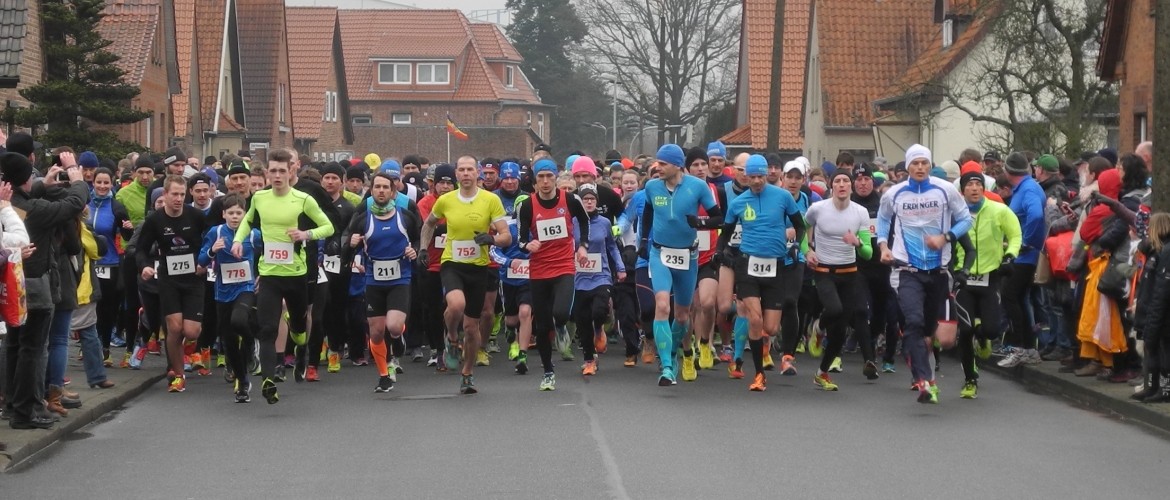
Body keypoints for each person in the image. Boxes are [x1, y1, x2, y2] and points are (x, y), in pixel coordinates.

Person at [231, 150, 334, 404]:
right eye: (273, 171)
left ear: (290, 171)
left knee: (299, 328)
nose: (277, 176)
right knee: (267, 328)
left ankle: (301, 350)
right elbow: (247, 222)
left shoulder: (303, 199)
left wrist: (306, 235)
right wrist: (237, 241)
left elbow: (328, 227)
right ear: (267, 173)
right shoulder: (259, 198)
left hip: (296, 274)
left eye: (281, 171)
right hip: (269, 274)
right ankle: (268, 380)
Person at [877, 144, 975, 404]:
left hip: (938, 271)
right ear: (908, 166)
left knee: (929, 330)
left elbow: (966, 220)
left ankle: (925, 372)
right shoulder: (895, 193)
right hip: (907, 270)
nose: (920, 168)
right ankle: (922, 380)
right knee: (913, 321)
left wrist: (946, 237)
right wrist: (884, 246)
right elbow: (883, 219)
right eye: (915, 163)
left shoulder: (945, 190)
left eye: (924, 163)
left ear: (930, 166)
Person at [419, 156, 511, 394]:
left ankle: (467, 373)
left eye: (470, 169)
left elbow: (506, 236)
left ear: (477, 173)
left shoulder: (490, 200)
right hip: (452, 263)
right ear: (457, 174)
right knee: (456, 304)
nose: (466, 173)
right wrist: (423, 248)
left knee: (471, 328)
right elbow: (429, 224)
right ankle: (451, 336)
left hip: (478, 267)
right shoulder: (446, 200)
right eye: (462, 170)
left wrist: (492, 239)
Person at [716, 154, 802, 391]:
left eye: (760, 176)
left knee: (771, 328)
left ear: (766, 175)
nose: (756, 181)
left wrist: (796, 245)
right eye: (752, 177)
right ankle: (759, 374)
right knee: (754, 319)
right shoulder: (738, 202)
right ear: (746, 176)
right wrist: (720, 251)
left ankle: (761, 348)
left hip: (775, 264)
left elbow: (799, 224)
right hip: (748, 265)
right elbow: (726, 232)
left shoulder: (783, 197)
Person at [639, 144, 722, 386]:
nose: (658, 167)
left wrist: (700, 222)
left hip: (687, 256)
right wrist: (643, 240)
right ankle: (666, 366)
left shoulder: (698, 187)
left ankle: (673, 351)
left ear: (677, 165)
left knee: (683, 316)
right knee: (662, 305)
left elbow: (719, 218)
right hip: (660, 253)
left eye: (663, 164)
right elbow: (648, 212)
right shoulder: (652, 186)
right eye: (657, 163)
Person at [516, 158, 591, 390]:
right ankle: (548, 372)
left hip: (564, 265)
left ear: (556, 178)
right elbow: (520, 239)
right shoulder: (527, 206)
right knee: (542, 326)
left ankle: (561, 326)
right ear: (535, 180)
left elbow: (585, 222)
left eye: (550, 176)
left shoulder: (570, 200)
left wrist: (582, 246)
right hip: (539, 269)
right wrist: (527, 245)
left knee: (560, 312)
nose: (546, 181)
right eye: (541, 177)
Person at [345, 173, 420, 392]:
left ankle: (397, 338)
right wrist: (351, 244)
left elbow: (418, 239)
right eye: (377, 187)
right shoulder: (362, 219)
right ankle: (384, 375)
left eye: (385, 187)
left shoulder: (406, 217)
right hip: (373, 280)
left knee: (393, 326)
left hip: (400, 278)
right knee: (376, 332)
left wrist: (414, 250)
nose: (381, 191)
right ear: (371, 191)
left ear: (392, 191)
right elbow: (347, 252)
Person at [135, 175, 208, 392]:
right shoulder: (155, 220)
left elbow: (210, 239)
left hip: (193, 279)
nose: (178, 199)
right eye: (174, 194)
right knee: (174, 328)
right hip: (169, 279)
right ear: (165, 194)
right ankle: (178, 374)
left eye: (182, 195)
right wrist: (144, 266)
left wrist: (205, 261)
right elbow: (140, 249)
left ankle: (190, 349)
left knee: (191, 331)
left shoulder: (196, 216)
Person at [805, 171, 877, 390]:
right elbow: (802, 229)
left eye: (846, 181)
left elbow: (868, 254)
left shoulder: (860, 212)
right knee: (834, 309)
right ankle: (818, 327)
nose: (842, 185)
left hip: (849, 273)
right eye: (838, 181)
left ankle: (822, 373)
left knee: (840, 332)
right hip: (824, 270)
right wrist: (807, 250)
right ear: (831, 186)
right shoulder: (817, 209)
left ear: (851, 186)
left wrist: (858, 243)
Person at [954, 171, 1021, 398]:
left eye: (978, 184)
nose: (974, 188)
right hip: (963, 278)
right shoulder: (955, 214)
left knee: (992, 330)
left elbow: (1015, 235)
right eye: (969, 185)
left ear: (983, 188)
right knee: (965, 330)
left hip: (990, 277)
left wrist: (1010, 256)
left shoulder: (999, 210)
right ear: (962, 190)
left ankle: (982, 336)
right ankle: (970, 379)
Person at [199, 193, 260, 402]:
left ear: (245, 214)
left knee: (239, 321)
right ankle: (243, 383)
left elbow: (266, 254)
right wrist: (212, 251)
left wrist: (261, 274)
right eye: (231, 213)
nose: (235, 217)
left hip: (246, 287)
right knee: (229, 341)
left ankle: (251, 344)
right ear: (223, 214)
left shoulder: (253, 234)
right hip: (222, 292)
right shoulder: (215, 232)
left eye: (239, 213)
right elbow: (201, 260)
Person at [997, 152, 1046, 367]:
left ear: (1008, 171)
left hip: (1025, 256)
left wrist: (1026, 242)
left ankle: (1019, 347)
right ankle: (1028, 349)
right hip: (1023, 255)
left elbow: (1036, 215)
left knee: (1010, 296)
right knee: (1019, 299)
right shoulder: (1026, 187)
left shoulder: (1028, 189)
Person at [571, 183, 626, 377]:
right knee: (582, 319)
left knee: (599, 310)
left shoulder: (604, 222)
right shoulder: (572, 222)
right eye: (585, 199)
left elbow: (612, 247)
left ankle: (599, 328)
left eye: (592, 199)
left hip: (601, 274)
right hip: (579, 277)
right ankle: (589, 360)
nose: (589, 202)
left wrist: (620, 268)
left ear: (597, 202)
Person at [1133, 212, 1170, 403]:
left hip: (1158, 311)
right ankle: (1151, 386)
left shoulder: (1164, 254)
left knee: (1161, 351)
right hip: (1149, 308)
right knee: (1152, 349)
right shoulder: (1154, 252)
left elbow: (1161, 289)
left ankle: (1162, 388)